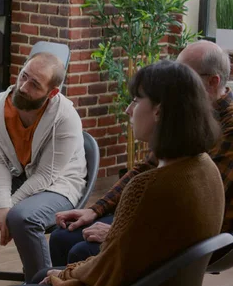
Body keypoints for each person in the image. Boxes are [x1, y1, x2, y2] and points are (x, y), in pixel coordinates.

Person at [37, 60, 225, 285]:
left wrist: (60, 278)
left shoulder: (148, 187)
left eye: (136, 100)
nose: (128, 110)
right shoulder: (205, 167)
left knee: (43, 275)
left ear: (159, 111)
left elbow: (108, 273)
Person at [0, 52, 87, 285]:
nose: (24, 87)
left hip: (58, 184)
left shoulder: (65, 117)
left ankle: (40, 283)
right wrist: (3, 206)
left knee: (22, 218)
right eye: (23, 76)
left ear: (53, 92)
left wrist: (6, 210)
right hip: (14, 175)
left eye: (35, 84)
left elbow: (46, 175)